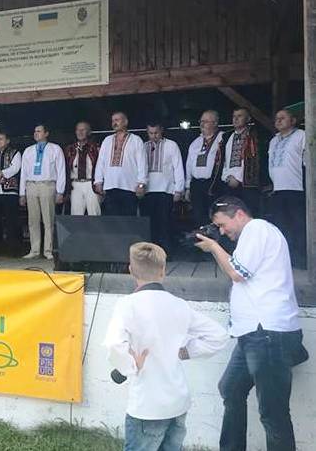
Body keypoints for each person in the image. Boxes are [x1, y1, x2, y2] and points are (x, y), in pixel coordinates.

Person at [194, 196, 306, 451]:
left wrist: (214, 247)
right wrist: (215, 247)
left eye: (222, 225)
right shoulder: (255, 234)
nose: (223, 232)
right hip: (254, 333)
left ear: (240, 214)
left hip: (267, 332)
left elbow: (237, 273)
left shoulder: (256, 229)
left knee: (272, 411)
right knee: (230, 388)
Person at [104, 242, 228, 451]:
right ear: (163, 270)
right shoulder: (179, 305)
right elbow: (219, 335)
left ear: (131, 270)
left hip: (147, 405)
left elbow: (113, 343)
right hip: (177, 402)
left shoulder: (128, 305)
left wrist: (130, 365)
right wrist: (186, 351)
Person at [19, 124, 65, 260]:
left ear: (46, 133)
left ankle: (48, 250)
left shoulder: (55, 149)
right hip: (31, 185)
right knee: (33, 220)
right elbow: (23, 172)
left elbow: (61, 170)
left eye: (39, 131)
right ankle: (34, 250)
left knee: (48, 220)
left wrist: (60, 191)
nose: (36, 133)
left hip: (47, 185)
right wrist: (22, 193)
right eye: (35, 131)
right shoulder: (28, 150)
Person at [268, 109, 306, 268]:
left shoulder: (301, 135)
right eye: (277, 118)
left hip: (296, 188)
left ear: (293, 120)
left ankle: (302, 259)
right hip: (278, 189)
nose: (278, 121)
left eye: (283, 118)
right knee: (281, 226)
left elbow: (308, 161)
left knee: (298, 224)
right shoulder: (273, 140)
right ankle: (285, 260)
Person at [140, 122, 184, 254]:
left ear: (161, 131)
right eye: (150, 133)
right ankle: (150, 253)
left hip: (166, 190)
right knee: (149, 224)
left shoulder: (171, 145)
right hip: (148, 191)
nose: (153, 136)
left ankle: (166, 253)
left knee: (164, 223)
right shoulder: (143, 146)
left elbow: (178, 167)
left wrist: (179, 189)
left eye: (156, 133)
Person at [94, 112, 147, 216]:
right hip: (110, 186)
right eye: (113, 121)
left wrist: (141, 184)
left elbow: (142, 163)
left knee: (128, 219)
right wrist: (98, 181)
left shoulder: (136, 140)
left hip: (129, 187)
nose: (114, 123)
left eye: (117, 120)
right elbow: (100, 162)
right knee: (112, 220)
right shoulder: (107, 140)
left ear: (125, 122)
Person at [216, 108, 264, 216]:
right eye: (234, 116)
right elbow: (223, 161)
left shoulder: (254, 136)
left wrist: (238, 178)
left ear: (248, 118)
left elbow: (253, 161)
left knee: (248, 215)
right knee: (231, 215)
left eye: (239, 116)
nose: (236, 119)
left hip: (247, 184)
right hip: (229, 183)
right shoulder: (227, 137)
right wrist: (227, 177)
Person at [185, 110, 224, 227]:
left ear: (215, 123)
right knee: (198, 217)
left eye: (206, 121)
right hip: (197, 185)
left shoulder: (222, 138)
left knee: (215, 215)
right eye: (201, 121)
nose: (202, 124)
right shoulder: (195, 142)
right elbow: (189, 165)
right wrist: (187, 187)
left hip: (214, 183)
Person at [64, 122, 101, 216]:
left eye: (83, 130)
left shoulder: (95, 148)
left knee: (94, 213)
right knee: (76, 215)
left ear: (88, 132)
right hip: (75, 184)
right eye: (78, 130)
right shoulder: (70, 149)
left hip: (91, 184)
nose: (80, 132)